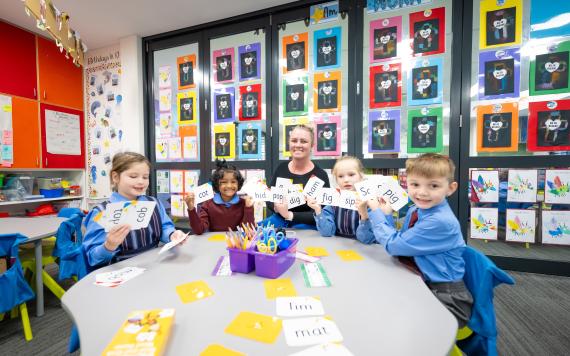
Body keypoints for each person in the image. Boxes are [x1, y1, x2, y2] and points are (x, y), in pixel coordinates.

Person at [362, 153, 473, 328]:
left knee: (387, 320)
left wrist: (375, 211)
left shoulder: (439, 221)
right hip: (423, 281)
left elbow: (393, 245)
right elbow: (402, 242)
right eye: (415, 184)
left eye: (434, 185)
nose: (422, 192)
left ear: (450, 188)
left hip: (447, 298)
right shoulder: (417, 209)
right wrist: (386, 214)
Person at [83, 152, 188, 268]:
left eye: (145, 177)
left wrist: (172, 235)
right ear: (115, 177)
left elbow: (165, 227)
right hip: (119, 272)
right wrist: (108, 246)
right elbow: (92, 258)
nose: (141, 182)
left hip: (154, 265)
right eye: (133, 176)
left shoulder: (154, 203)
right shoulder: (101, 212)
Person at [265, 124, 330, 228]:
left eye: (303, 141)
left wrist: (290, 215)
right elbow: (269, 197)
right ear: (289, 143)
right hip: (279, 219)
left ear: (312, 145)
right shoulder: (281, 168)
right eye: (294, 141)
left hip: (307, 225)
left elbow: (322, 212)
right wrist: (276, 207)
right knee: (255, 230)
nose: (298, 145)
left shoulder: (320, 175)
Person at [306, 156, 374, 241]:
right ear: (336, 180)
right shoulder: (333, 203)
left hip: (364, 250)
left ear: (361, 176)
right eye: (341, 176)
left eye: (351, 174)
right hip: (338, 248)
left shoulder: (370, 203)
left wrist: (364, 215)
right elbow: (327, 232)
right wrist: (318, 210)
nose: (346, 180)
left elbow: (366, 239)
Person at [185, 159, 254, 235]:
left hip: (236, 245)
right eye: (224, 182)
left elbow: (247, 231)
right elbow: (199, 230)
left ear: (238, 184)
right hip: (214, 244)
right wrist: (191, 209)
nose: (229, 186)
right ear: (217, 185)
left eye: (233, 182)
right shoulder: (207, 205)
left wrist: (248, 208)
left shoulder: (244, 204)